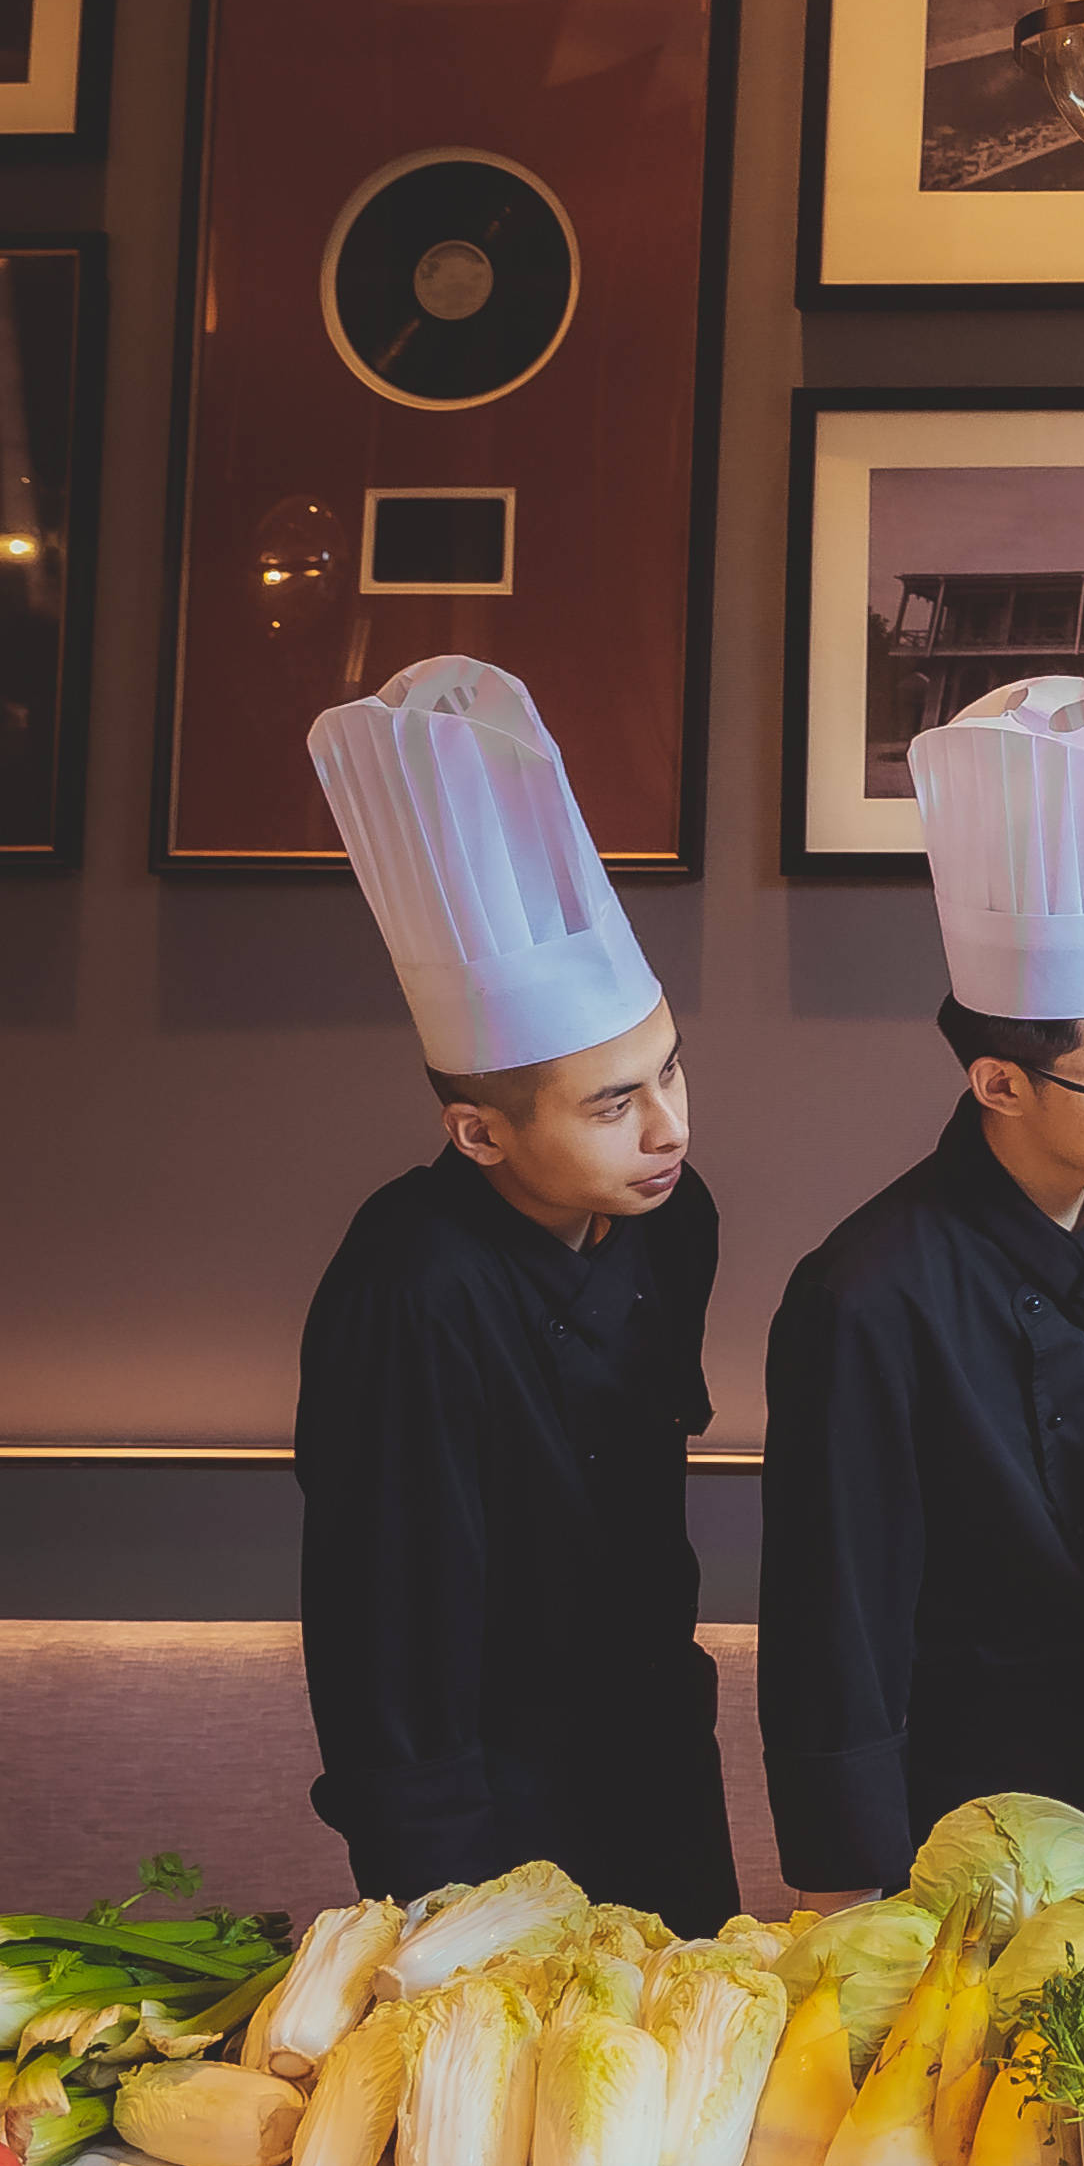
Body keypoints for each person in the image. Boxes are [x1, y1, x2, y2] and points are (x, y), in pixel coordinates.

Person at [758, 678, 1084, 1908]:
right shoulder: (868, 1291)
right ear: (1001, 1082)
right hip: (972, 1812)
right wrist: (847, 1890)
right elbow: (835, 1618)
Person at [293, 656, 736, 1932]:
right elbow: (385, 1608)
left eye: (671, 1073)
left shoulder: (674, 1218)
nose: (668, 1129)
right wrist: (430, 1879)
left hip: (654, 1745)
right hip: (479, 1798)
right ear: (480, 1134)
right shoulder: (410, 1287)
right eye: (613, 1104)